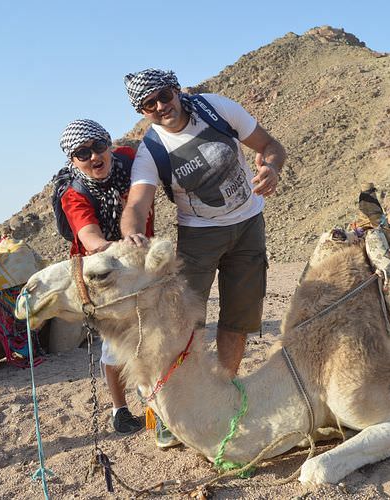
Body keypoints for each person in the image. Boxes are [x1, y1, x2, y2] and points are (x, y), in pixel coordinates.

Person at [120, 69, 285, 446]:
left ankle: (222, 393)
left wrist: (271, 167)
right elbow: (137, 202)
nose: (162, 106)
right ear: (142, 111)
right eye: (150, 103)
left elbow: (270, 145)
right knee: (182, 324)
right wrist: (132, 233)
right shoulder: (153, 151)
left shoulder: (217, 109)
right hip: (197, 236)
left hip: (249, 225)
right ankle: (168, 412)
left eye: (164, 95)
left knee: (239, 316)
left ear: (176, 90)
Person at [58, 118, 154, 436]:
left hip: (143, 263)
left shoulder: (131, 160)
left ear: (109, 144)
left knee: (153, 334)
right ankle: (120, 410)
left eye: (99, 146)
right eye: (82, 153)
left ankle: (156, 408)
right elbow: (91, 241)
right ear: (72, 160)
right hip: (103, 274)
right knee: (114, 343)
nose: (94, 157)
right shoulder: (74, 194)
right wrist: (122, 248)